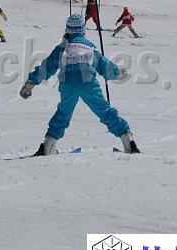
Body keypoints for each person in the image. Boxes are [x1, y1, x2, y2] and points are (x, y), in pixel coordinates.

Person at [19, 14, 140, 155]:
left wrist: (30, 83)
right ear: (83, 29)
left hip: (68, 83)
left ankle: (48, 146)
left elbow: (47, 67)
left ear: (67, 29)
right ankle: (128, 142)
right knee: (105, 111)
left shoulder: (62, 47)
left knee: (63, 113)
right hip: (88, 83)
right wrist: (117, 73)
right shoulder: (89, 46)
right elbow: (103, 63)